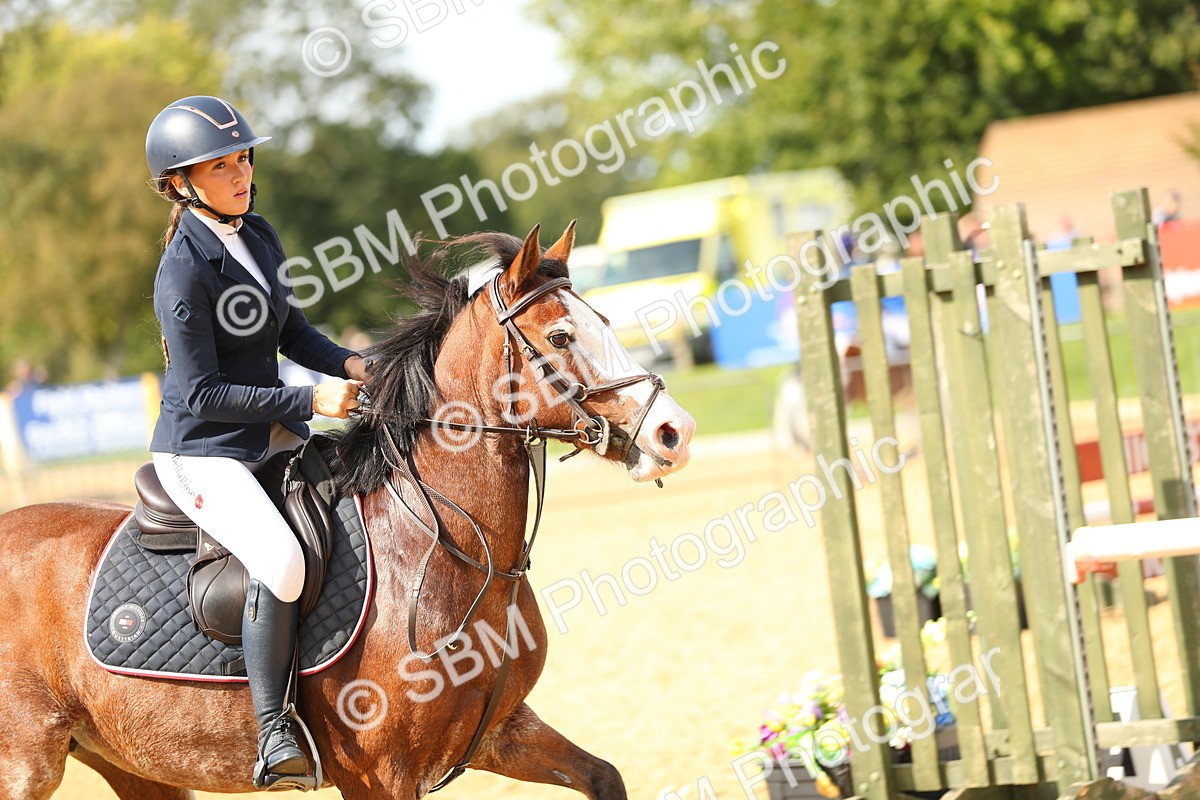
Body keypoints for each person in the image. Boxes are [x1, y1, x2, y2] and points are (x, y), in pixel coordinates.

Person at [144, 95, 371, 788]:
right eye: (221, 165)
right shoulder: (182, 272)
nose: (241, 173)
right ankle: (274, 734)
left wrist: (357, 365)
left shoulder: (258, 234)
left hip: (268, 434)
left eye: (243, 158)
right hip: (202, 450)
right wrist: (309, 397)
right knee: (281, 559)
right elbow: (204, 393)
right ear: (181, 183)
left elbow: (294, 334)